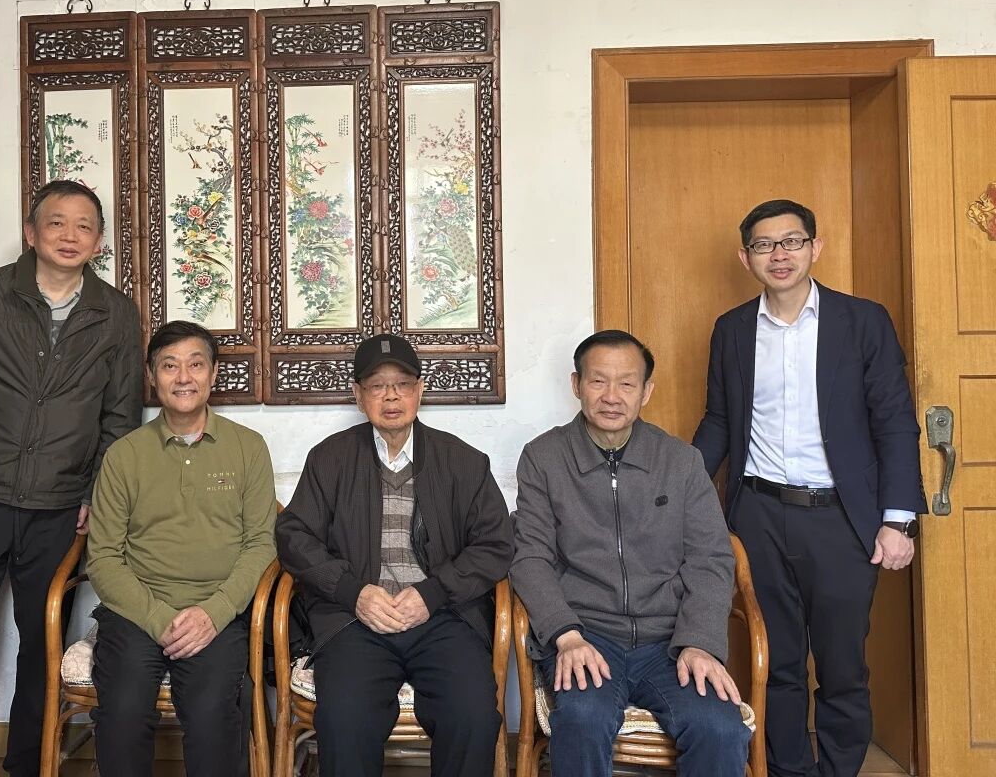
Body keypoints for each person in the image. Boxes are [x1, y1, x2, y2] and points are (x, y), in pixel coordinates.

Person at [0, 179, 143, 777]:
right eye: (56, 222)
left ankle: (28, 765)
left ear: (99, 241)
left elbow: (120, 418)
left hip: (61, 508)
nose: (70, 235)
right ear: (30, 232)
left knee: (44, 648)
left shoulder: (116, 313)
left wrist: (99, 497)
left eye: (84, 226)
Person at [694, 199, 925, 777]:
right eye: (764, 245)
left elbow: (895, 423)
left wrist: (898, 520)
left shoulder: (862, 321)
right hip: (758, 514)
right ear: (745, 257)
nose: (780, 254)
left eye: (792, 241)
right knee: (776, 663)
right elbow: (719, 421)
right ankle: (787, 769)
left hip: (842, 519)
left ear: (815, 247)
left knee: (842, 665)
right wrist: (681, 496)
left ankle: (839, 769)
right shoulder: (732, 329)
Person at [512, 329, 750, 777]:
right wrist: (566, 635)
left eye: (626, 383)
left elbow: (711, 558)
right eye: (598, 381)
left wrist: (699, 642)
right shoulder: (544, 458)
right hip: (588, 635)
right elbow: (530, 557)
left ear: (646, 391)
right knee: (582, 719)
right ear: (576, 385)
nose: (612, 396)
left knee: (720, 728)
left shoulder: (681, 462)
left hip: (670, 642)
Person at [276, 333, 513, 777]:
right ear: (357, 394)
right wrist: (353, 592)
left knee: (473, 716)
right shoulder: (330, 458)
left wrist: (433, 593)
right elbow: (294, 536)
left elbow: (495, 543)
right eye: (377, 386)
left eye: (402, 384)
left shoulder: (463, 461)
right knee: (343, 720)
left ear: (420, 390)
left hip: (443, 617)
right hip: (355, 620)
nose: (391, 396)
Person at [86, 320, 277, 777]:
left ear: (213, 374)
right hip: (137, 612)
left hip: (217, 612)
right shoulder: (124, 455)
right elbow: (103, 557)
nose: (184, 377)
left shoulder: (248, 448)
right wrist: (157, 618)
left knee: (213, 715)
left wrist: (214, 611)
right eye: (170, 366)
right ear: (152, 376)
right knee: (123, 711)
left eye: (196, 364)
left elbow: (261, 543)